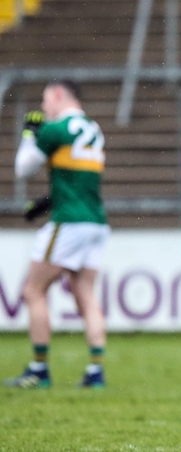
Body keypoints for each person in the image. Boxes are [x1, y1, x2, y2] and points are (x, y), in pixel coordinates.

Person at [5, 80, 110, 390]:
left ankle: (39, 369)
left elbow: (23, 167)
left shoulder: (56, 128)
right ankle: (96, 371)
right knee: (85, 295)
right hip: (95, 220)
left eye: (45, 99)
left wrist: (29, 134)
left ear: (60, 95)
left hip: (69, 222)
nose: (43, 107)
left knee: (33, 291)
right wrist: (49, 200)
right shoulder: (93, 129)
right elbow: (79, 178)